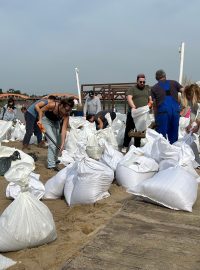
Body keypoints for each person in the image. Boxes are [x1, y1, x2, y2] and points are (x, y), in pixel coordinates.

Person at [37, 97, 74, 171]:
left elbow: (64, 129)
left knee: (59, 143)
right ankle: (51, 165)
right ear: (62, 105)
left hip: (56, 123)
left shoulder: (67, 114)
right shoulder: (52, 105)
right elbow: (41, 110)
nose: (67, 112)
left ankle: (55, 159)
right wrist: (40, 121)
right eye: (66, 110)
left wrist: (63, 143)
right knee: (52, 142)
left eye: (69, 110)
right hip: (46, 121)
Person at [151, 69, 183, 144]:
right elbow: (184, 90)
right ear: (165, 76)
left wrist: (156, 119)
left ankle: (164, 153)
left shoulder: (154, 88)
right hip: (175, 111)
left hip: (163, 112)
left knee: (161, 136)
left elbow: (154, 105)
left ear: (156, 78)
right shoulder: (174, 83)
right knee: (174, 134)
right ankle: (174, 151)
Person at [121, 74, 152, 153]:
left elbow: (150, 99)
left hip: (142, 114)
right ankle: (125, 145)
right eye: (140, 82)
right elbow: (129, 98)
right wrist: (133, 106)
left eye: (143, 82)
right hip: (133, 113)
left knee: (139, 131)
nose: (142, 83)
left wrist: (150, 104)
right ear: (137, 81)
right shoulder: (132, 89)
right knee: (129, 129)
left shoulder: (147, 89)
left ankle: (137, 146)